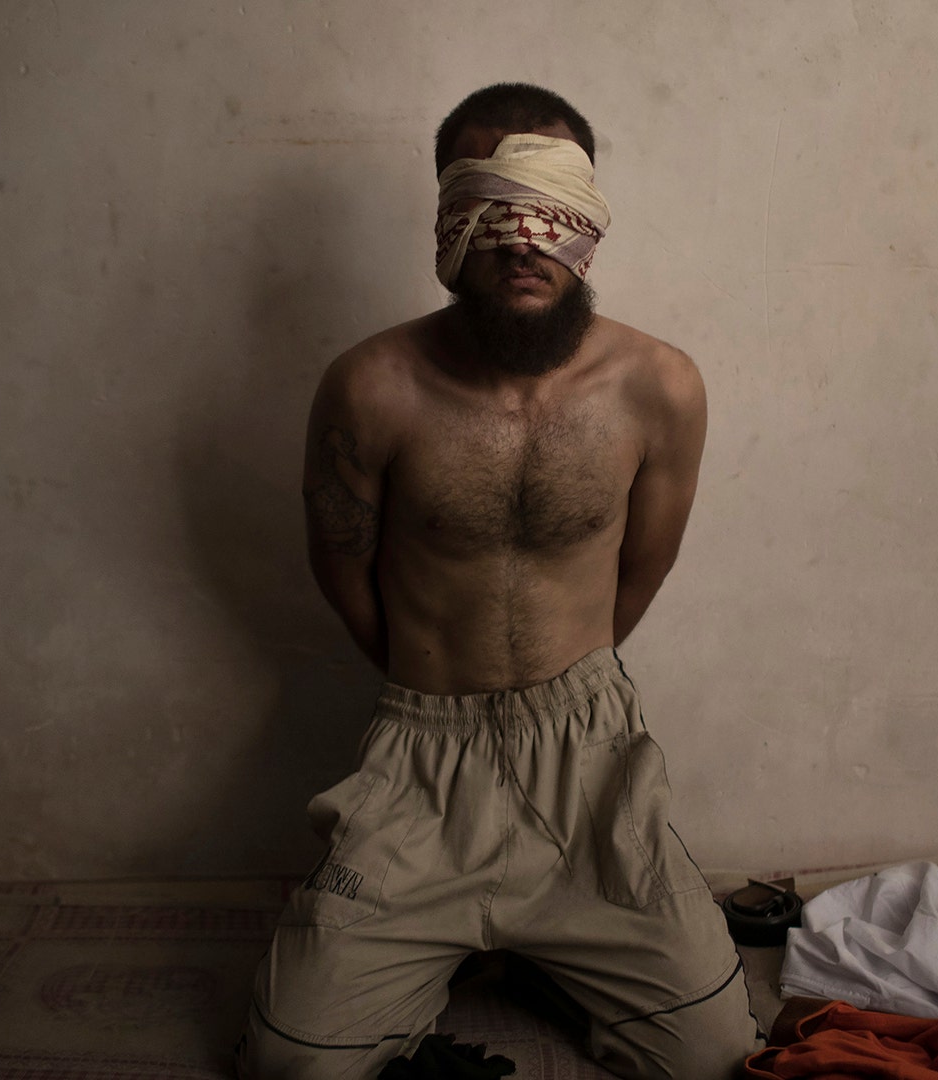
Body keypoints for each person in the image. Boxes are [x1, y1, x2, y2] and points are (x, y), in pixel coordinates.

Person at [237, 83, 759, 1080]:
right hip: (422, 764)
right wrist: (437, 685)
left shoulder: (659, 386)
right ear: (447, 219)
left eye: (550, 209)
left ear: (590, 220)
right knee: (290, 1064)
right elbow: (341, 569)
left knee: (713, 1056)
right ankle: (467, 943)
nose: (523, 240)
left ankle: (546, 949)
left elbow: (643, 569)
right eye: (492, 208)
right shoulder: (371, 386)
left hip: (588, 756)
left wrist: (563, 692)